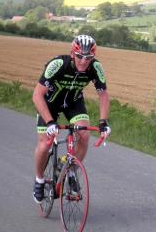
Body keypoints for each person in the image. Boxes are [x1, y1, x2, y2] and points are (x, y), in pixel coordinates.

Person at [32, 34, 111, 204]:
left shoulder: (95, 67)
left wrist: (104, 122)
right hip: (50, 103)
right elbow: (37, 94)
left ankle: (70, 170)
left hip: (74, 102)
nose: (84, 61)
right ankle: (39, 180)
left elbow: (103, 94)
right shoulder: (58, 64)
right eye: (80, 56)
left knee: (84, 135)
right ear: (73, 54)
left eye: (88, 57)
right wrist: (50, 122)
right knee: (45, 143)